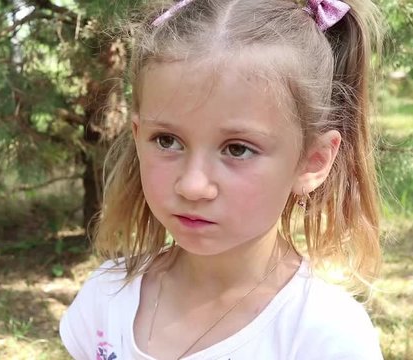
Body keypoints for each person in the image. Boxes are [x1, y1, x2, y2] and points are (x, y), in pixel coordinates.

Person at [60, 0, 384, 358]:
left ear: (313, 161)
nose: (192, 185)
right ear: (137, 135)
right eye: (167, 141)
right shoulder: (106, 300)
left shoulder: (324, 336)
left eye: (238, 149)